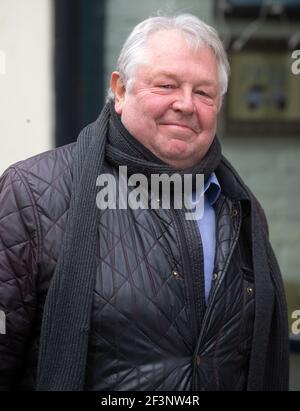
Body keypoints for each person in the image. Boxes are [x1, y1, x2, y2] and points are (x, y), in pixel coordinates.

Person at [0, 14, 289, 391]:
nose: (185, 104)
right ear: (120, 91)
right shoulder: (33, 194)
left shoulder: (240, 210)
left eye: (203, 92)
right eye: (167, 85)